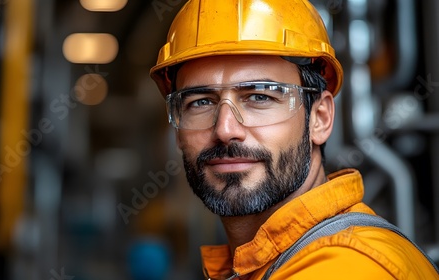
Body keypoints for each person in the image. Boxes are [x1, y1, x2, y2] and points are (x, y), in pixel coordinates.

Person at [149, 0, 439, 279]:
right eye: (200, 102)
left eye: (260, 96)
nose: (225, 129)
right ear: (177, 129)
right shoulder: (265, 264)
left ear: (320, 118)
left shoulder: (347, 268)